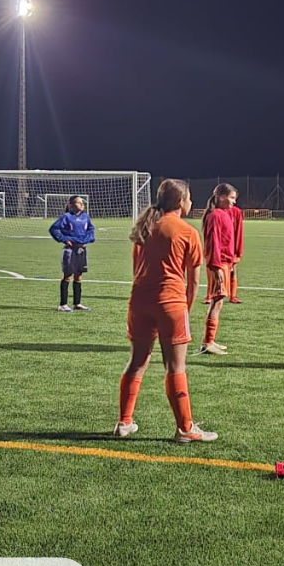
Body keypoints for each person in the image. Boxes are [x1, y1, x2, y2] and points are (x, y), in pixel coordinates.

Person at [113, 178, 217, 443]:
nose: (191, 202)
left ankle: (124, 423)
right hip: (170, 303)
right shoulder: (187, 232)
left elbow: (137, 269)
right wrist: (186, 310)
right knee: (175, 366)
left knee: (136, 362)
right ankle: (185, 429)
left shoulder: (145, 227)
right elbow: (193, 282)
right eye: (189, 198)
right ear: (180, 202)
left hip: (139, 302)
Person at [201, 183, 238, 355]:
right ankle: (207, 343)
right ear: (221, 197)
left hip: (224, 262)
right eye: (231, 198)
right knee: (217, 301)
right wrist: (216, 268)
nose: (233, 202)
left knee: (219, 301)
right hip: (218, 263)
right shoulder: (215, 215)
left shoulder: (224, 214)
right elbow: (213, 242)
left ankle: (210, 340)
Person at [49, 195, 96, 312]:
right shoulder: (67, 217)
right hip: (70, 250)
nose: (82, 204)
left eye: (82, 202)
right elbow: (54, 229)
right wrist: (64, 239)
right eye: (79, 202)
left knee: (79, 276)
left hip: (82, 249)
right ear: (71, 205)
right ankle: (63, 304)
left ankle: (77, 303)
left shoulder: (86, 217)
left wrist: (88, 240)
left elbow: (91, 229)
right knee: (68, 275)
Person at [228, 201, 244, 304]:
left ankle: (233, 296)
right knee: (216, 273)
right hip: (219, 249)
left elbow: (238, 231)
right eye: (232, 197)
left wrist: (238, 250)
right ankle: (210, 295)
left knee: (233, 271)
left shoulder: (236, 212)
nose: (234, 201)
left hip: (232, 248)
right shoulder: (215, 212)